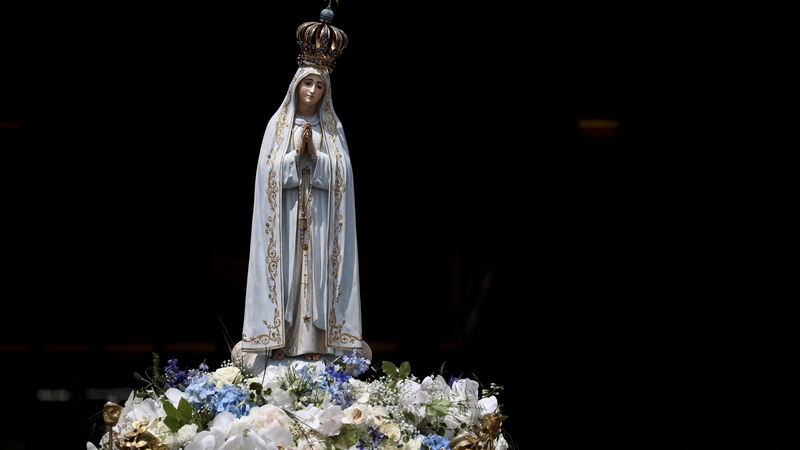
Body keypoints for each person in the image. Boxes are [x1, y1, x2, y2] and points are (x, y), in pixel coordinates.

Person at [238, 5, 364, 365]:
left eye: (319, 85)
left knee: (318, 278)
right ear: (295, 86)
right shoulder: (276, 128)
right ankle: (280, 340)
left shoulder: (332, 129)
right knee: (290, 276)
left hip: (322, 221)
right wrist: (294, 157)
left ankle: (315, 344)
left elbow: (344, 177)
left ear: (327, 91)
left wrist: (318, 156)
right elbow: (268, 174)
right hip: (287, 221)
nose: (312, 90)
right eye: (307, 83)